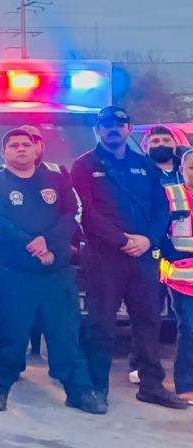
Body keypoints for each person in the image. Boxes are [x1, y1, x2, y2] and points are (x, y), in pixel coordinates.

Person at [0, 128, 107, 414]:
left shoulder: (56, 180)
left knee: (65, 334)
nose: (21, 149)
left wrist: (48, 242)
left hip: (56, 273)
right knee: (9, 333)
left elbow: (73, 213)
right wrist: (32, 246)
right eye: (14, 145)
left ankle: (78, 391)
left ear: (36, 149)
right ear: (3, 152)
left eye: (26, 144)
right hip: (14, 273)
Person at [73, 106, 186, 409]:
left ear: (128, 129)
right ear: (98, 130)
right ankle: (96, 387)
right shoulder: (84, 165)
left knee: (148, 320)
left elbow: (162, 208)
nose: (113, 128)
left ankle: (151, 386)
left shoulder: (144, 164)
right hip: (104, 257)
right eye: (106, 124)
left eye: (119, 124)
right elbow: (86, 213)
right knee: (101, 324)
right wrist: (121, 240)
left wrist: (148, 239)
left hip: (143, 256)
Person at [160, 150, 193, 403]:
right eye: (191, 167)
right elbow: (158, 231)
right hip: (182, 278)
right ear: (181, 170)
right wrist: (171, 256)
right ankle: (185, 385)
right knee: (189, 329)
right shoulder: (170, 195)